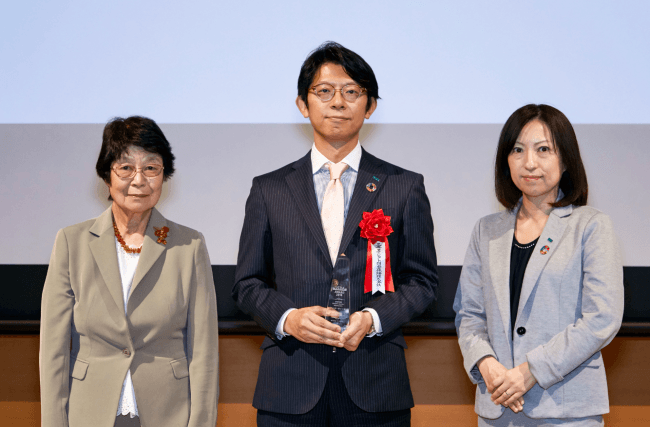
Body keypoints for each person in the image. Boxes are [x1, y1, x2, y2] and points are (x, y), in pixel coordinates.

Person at [233, 41, 438, 426]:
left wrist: (373, 319)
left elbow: (423, 282)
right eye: (324, 91)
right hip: (290, 384)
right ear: (302, 104)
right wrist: (288, 318)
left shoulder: (403, 186)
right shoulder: (269, 189)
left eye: (352, 92)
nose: (338, 102)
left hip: (375, 384)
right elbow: (247, 283)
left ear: (370, 105)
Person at [39, 116, 219, 427]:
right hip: (90, 413)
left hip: (168, 414)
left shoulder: (189, 245)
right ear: (106, 176)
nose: (139, 180)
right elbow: (53, 350)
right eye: (125, 168)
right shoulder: (72, 242)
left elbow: (204, 351)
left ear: (164, 176)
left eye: (151, 168)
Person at [453, 104, 624, 426]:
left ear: (566, 160)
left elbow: (602, 318)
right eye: (517, 150)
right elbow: (470, 314)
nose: (529, 162)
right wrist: (487, 365)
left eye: (543, 149)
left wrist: (530, 371)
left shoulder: (590, 226)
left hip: (566, 409)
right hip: (497, 404)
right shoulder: (486, 230)